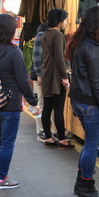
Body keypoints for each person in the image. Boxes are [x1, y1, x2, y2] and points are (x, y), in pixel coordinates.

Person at [0, 14, 39, 189]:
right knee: (8, 141)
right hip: (9, 104)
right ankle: (1, 178)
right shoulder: (14, 52)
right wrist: (33, 101)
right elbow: (22, 80)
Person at [65, 6, 99, 197]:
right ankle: (86, 185)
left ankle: (81, 183)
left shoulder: (79, 43)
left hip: (79, 99)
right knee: (92, 145)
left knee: (88, 144)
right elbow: (97, 81)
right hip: (90, 103)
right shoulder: (93, 47)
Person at [40, 8, 72, 149]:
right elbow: (59, 57)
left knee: (47, 107)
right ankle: (62, 140)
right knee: (58, 108)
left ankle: (48, 138)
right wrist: (65, 77)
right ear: (59, 21)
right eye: (65, 19)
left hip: (46, 72)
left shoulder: (44, 34)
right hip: (55, 75)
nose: (66, 22)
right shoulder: (58, 35)